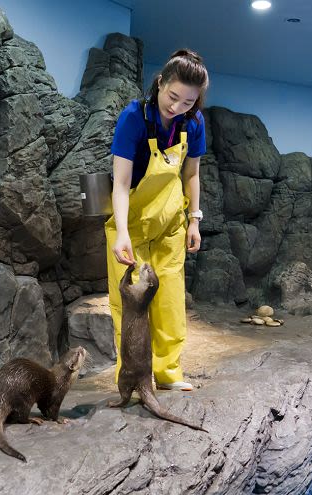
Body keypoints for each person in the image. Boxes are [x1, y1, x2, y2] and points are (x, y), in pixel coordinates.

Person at [105, 49, 209, 391]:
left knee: (170, 300)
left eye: (188, 102)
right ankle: (133, 381)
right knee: (131, 305)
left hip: (169, 224)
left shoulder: (194, 123)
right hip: (131, 223)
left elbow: (191, 174)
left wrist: (194, 220)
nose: (177, 107)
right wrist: (122, 232)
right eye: (173, 96)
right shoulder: (134, 117)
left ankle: (168, 373)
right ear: (160, 83)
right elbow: (121, 184)